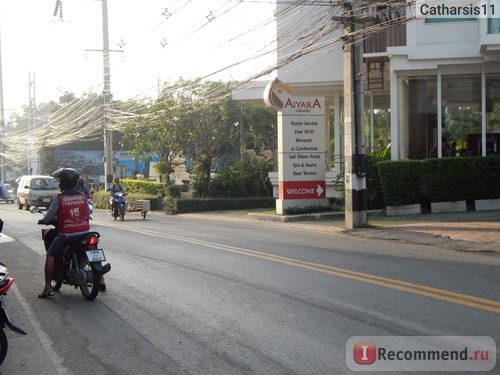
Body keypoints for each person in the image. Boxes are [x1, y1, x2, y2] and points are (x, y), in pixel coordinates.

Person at [37, 168, 104, 298]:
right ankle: (101, 279)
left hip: (67, 234)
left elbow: (49, 216)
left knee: (50, 255)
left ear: (63, 182)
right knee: (94, 250)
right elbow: (88, 211)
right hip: (84, 232)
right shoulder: (83, 196)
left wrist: (44, 220)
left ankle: (47, 287)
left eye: (60, 180)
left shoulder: (59, 198)